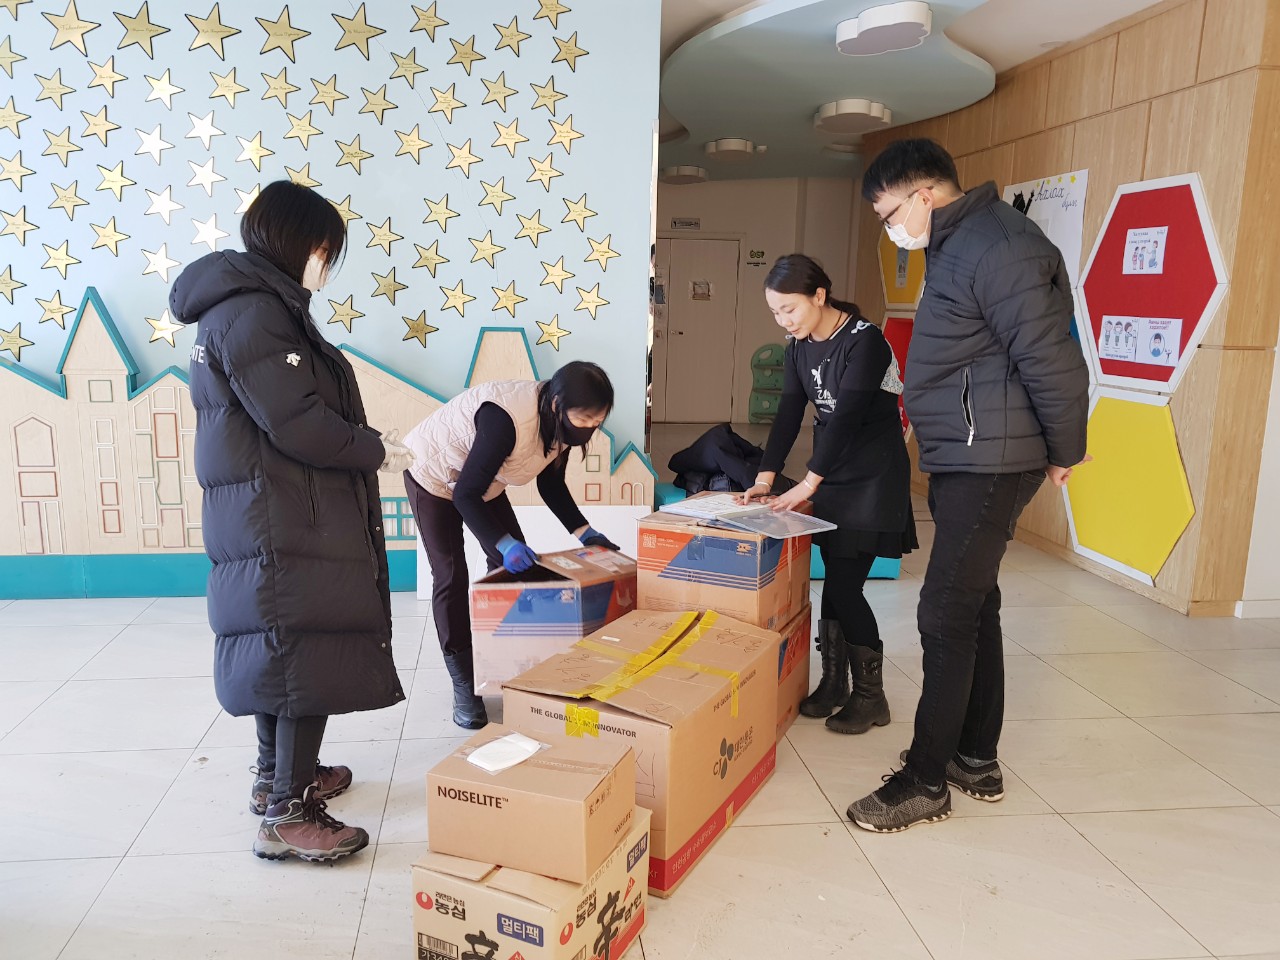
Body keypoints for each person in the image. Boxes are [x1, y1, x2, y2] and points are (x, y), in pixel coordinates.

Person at [849, 139, 1089, 832]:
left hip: (991, 459)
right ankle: (975, 758)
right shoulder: (962, 241)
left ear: (924, 195)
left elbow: (1050, 357)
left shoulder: (998, 246)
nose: (891, 228)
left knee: (944, 612)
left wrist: (1066, 449)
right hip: (972, 452)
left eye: (889, 214)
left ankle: (925, 781)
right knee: (975, 603)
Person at [170, 180, 414, 862]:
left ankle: (276, 777)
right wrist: (374, 449)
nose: (326, 266)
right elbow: (298, 422)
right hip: (281, 514)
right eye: (324, 250)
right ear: (296, 241)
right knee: (305, 651)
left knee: (284, 649)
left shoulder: (249, 306)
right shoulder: (255, 313)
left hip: (271, 507)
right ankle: (288, 810)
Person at [743, 254, 916, 735]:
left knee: (844, 585)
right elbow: (788, 413)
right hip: (832, 471)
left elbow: (846, 417)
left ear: (819, 296)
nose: (784, 320)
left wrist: (807, 483)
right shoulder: (798, 347)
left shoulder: (865, 341)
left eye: (790, 309)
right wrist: (766, 477)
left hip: (873, 475)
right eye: (775, 312)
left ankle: (871, 698)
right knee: (835, 578)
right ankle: (835, 683)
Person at [403, 362, 618, 730]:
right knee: (451, 576)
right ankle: (464, 683)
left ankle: (498, 657)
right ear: (557, 403)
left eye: (597, 421)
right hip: (434, 477)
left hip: (480, 482)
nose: (589, 428)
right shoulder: (506, 418)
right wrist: (504, 543)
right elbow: (465, 495)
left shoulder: (559, 425)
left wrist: (585, 533)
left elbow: (551, 485)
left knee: (514, 569)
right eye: (584, 419)